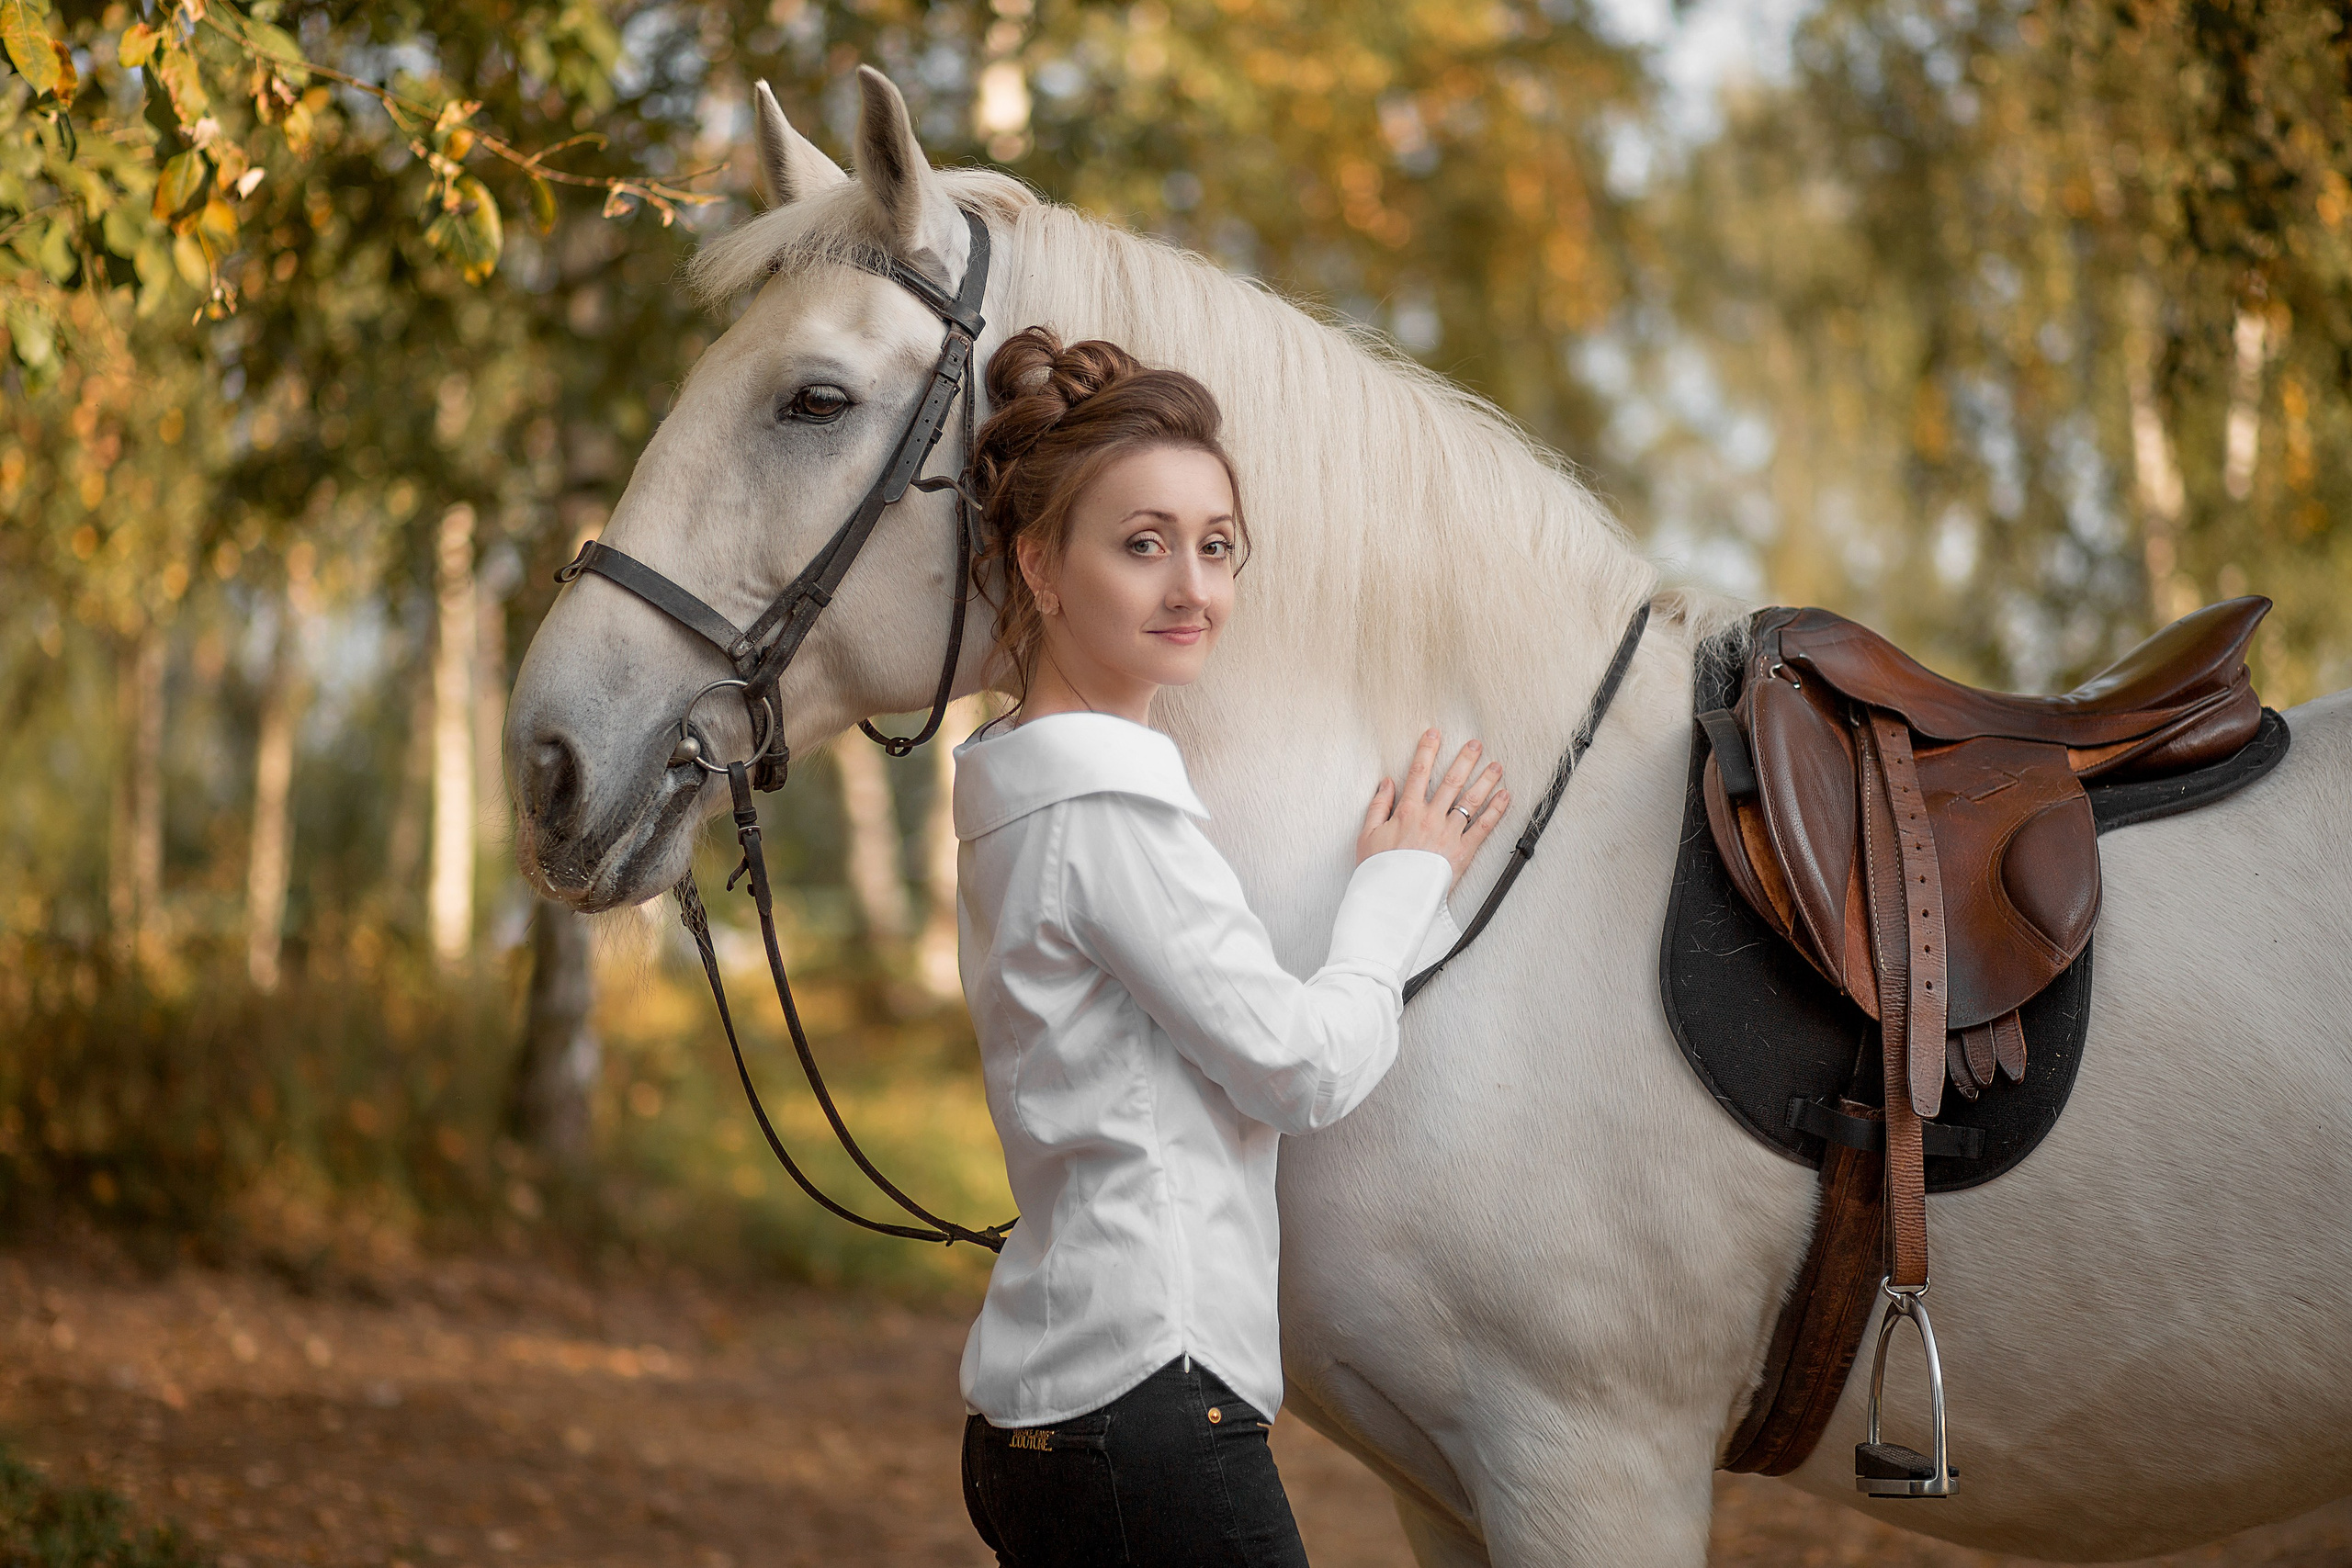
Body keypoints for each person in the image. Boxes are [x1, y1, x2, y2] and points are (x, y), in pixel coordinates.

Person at [951, 327, 1510, 1568]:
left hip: (1042, 1418)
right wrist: (1398, 887)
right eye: (1142, 545)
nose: (1191, 588)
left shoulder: (1012, 788)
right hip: (1141, 1409)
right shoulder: (1111, 815)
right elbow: (1299, 1069)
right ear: (1041, 565)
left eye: (1216, 547)